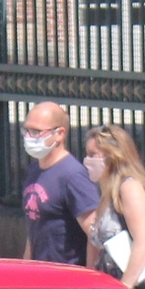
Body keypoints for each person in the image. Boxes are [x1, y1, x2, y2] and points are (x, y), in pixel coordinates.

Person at [82, 124, 145, 289]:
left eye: (93, 155)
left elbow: (143, 242)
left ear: (113, 156)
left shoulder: (129, 188)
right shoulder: (106, 195)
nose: (86, 160)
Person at [19, 101, 95, 266]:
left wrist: (89, 279)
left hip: (68, 278)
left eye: (36, 131)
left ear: (59, 134)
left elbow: (94, 233)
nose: (28, 137)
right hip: (41, 276)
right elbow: (34, 227)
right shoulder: (34, 170)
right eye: (26, 130)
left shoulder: (73, 176)